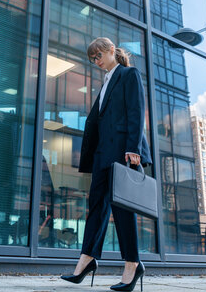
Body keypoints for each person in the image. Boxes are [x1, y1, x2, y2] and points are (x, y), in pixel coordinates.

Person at [60, 37, 152, 291]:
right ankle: (87, 259)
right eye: (93, 60)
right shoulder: (105, 83)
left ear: (111, 50)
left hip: (122, 151)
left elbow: (136, 110)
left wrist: (133, 147)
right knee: (96, 207)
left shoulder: (128, 74)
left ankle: (133, 264)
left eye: (99, 56)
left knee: (122, 208)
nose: (97, 62)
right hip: (102, 153)